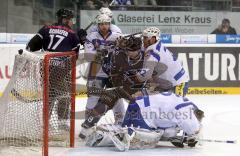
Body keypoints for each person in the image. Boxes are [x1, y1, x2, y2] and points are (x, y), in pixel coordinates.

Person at [85, 91, 204, 151]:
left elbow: (170, 130)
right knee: (153, 139)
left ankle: (107, 130)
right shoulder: (187, 112)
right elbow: (194, 130)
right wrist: (195, 134)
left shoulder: (182, 100)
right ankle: (114, 135)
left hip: (136, 105)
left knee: (167, 131)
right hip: (143, 115)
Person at [26, 8, 80, 130]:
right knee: (65, 94)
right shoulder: (72, 34)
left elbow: (30, 47)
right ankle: (61, 122)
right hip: (61, 70)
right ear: (65, 19)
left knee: (50, 95)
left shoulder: (45, 29)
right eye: (71, 20)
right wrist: (80, 40)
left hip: (44, 68)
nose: (72, 23)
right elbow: (75, 56)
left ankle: (45, 122)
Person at [79, 14, 122, 139]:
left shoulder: (117, 35)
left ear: (110, 24)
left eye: (106, 23)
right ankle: (88, 125)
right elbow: (88, 55)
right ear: (98, 25)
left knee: (116, 96)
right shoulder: (91, 37)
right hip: (96, 71)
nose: (104, 26)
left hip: (113, 72)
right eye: (101, 24)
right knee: (93, 96)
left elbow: (124, 52)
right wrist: (100, 53)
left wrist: (120, 46)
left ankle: (120, 121)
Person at [133, 27, 189, 96]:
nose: (143, 40)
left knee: (171, 106)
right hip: (168, 85)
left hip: (178, 85)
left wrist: (134, 76)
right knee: (140, 98)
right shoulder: (156, 45)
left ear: (153, 39)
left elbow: (144, 76)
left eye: (145, 38)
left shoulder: (152, 53)